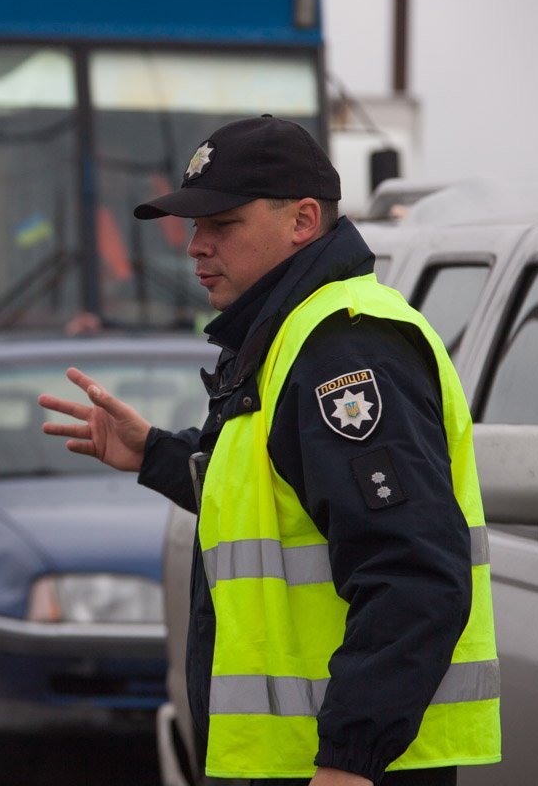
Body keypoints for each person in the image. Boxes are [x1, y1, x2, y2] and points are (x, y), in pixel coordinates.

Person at [39, 116, 500, 786]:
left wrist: (350, 760)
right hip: (300, 762)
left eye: (221, 224)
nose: (195, 247)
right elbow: (274, 501)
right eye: (194, 226)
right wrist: (157, 455)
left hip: (349, 770)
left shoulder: (344, 348)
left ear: (303, 220)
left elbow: (412, 574)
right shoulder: (285, 335)